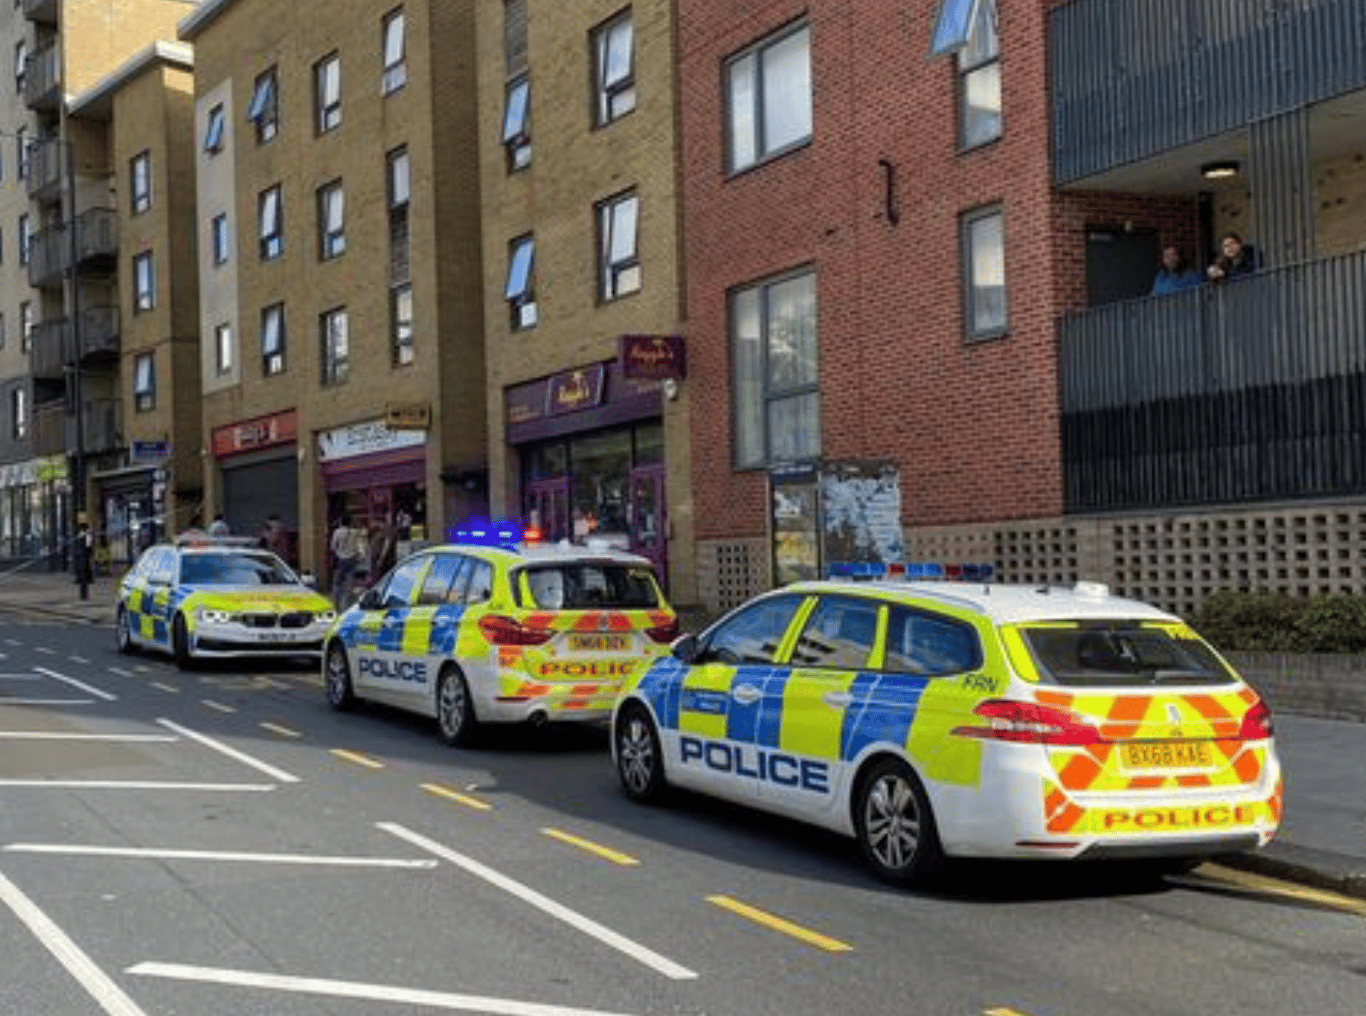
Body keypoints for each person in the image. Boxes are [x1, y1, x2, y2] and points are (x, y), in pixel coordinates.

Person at [330, 514, 363, 609]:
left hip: (341, 560)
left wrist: (338, 552)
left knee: (337, 583)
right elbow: (362, 534)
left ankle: (335, 604)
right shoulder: (355, 532)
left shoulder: (337, 532)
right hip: (353, 560)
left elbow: (332, 546)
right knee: (349, 583)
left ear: (341, 522)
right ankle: (347, 605)